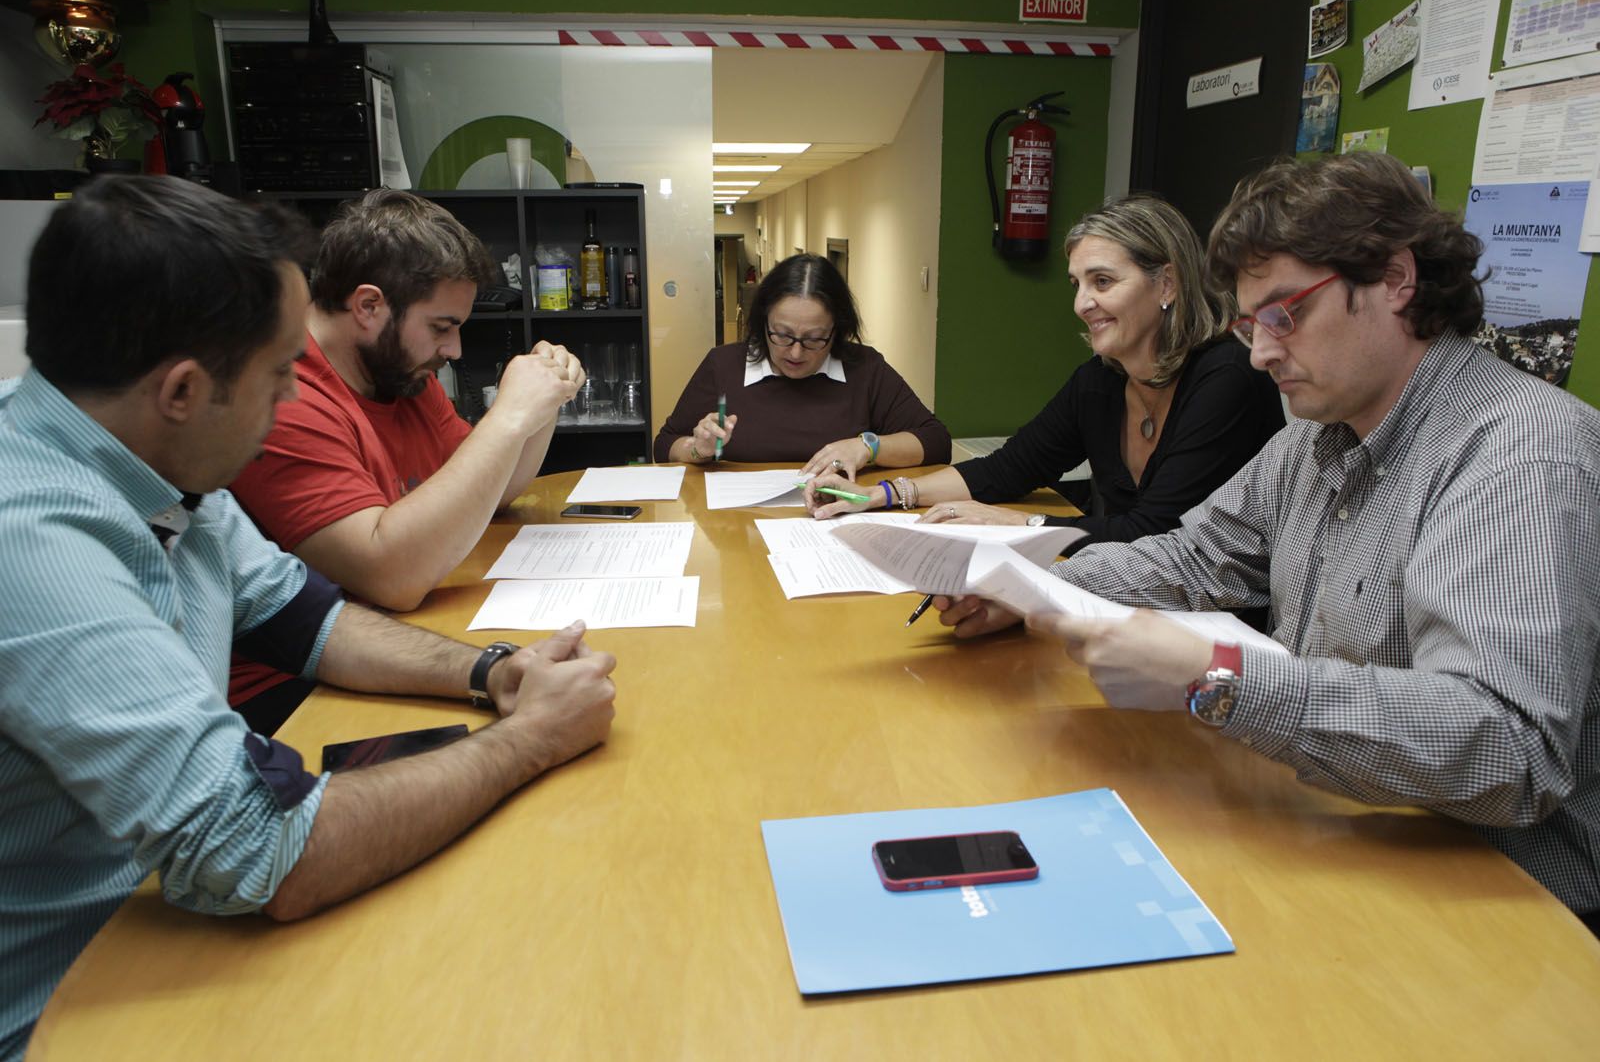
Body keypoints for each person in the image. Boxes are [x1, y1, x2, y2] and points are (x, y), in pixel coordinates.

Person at [0, 176, 618, 1060]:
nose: (296, 401)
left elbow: (306, 619)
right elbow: (260, 849)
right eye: (280, 375)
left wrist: (488, 672)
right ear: (181, 388)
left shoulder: (164, 463)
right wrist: (530, 740)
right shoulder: (29, 540)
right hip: (67, 1007)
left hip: (167, 923)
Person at [938, 153, 1600, 929]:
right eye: (1251, 324)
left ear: (1395, 279)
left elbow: (1510, 751)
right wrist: (1028, 580)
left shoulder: (1520, 452)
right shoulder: (1314, 438)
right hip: (1345, 820)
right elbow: (1190, 557)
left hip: (1498, 892)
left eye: (1285, 314)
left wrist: (1220, 677)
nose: (1259, 353)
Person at [227, 189, 583, 733]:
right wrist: (509, 417)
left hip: (389, 641)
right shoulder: (284, 393)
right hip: (292, 695)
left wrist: (545, 401)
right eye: (441, 327)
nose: (454, 350)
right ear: (369, 307)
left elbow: (492, 491)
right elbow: (391, 576)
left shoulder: (398, 371)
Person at [805, 195, 1283, 549]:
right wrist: (882, 496)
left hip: (1217, 626)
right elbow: (1010, 467)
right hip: (1129, 594)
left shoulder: (1227, 379)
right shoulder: (1100, 381)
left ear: (1168, 282)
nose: (1081, 303)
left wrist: (1016, 524)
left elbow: (1156, 533)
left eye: (1103, 281)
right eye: (1077, 284)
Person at [653, 252, 951, 476]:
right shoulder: (724, 365)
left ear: (838, 329)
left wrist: (867, 447)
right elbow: (664, 445)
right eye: (782, 335)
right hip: (740, 529)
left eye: (814, 339)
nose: (795, 353)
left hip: (832, 526)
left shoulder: (865, 368)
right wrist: (698, 449)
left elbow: (936, 442)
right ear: (763, 321)